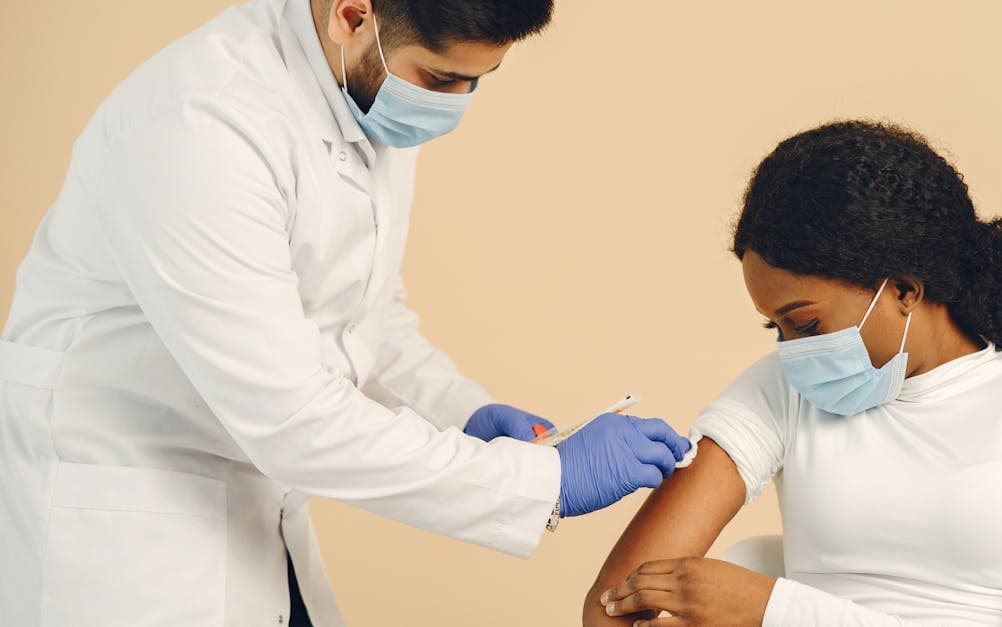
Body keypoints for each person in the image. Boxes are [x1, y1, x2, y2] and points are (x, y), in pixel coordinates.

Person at [0, 1, 691, 625]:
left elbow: (363, 314)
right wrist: (546, 481)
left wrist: (462, 413)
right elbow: (292, 416)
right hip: (129, 532)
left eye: (477, 80)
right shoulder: (203, 122)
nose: (457, 103)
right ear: (353, 15)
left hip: (248, 507)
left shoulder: (363, 88)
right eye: (443, 79)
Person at [583, 120, 1002, 627]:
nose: (791, 351)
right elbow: (609, 608)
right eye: (773, 329)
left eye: (804, 324)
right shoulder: (782, 389)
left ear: (903, 290)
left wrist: (776, 610)